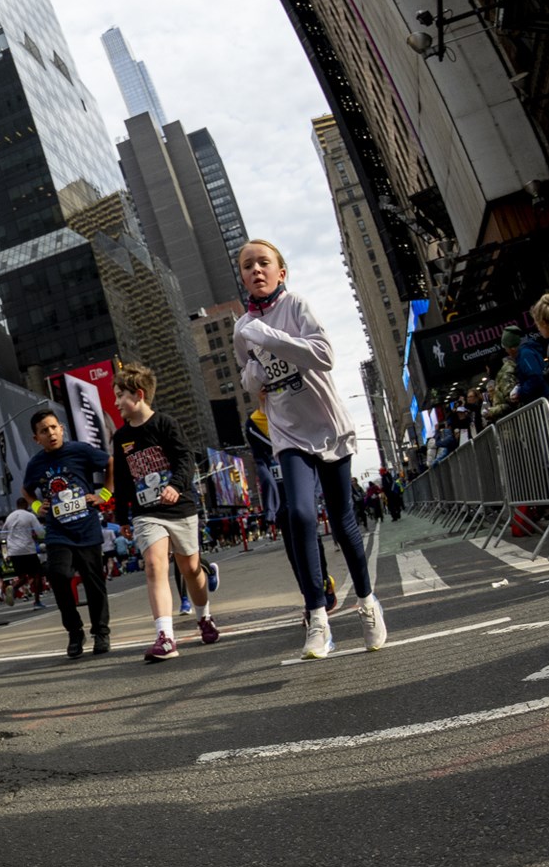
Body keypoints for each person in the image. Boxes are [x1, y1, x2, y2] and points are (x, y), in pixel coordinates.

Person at [233, 239, 386, 659]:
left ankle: (368, 603)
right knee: (297, 513)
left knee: (341, 521)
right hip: (287, 431)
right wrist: (252, 372)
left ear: (282, 272)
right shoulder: (241, 326)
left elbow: (324, 356)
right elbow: (250, 381)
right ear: (243, 276)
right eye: (248, 266)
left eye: (265, 263)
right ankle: (318, 616)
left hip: (328, 425)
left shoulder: (296, 306)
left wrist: (269, 337)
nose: (256, 270)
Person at [110, 366, 218, 662]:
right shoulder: (120, 439)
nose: (116, 402)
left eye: (121, 396)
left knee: (191, 570)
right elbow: (121, 479)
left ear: (139, 395)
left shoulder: (166, 424)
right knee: (154, 565)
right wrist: (122, 518)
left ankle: (205, 618)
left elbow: (186, 458)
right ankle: (165, 636)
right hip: (147, 513)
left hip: (180, 507)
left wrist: (175, 486)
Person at [21, 409, 112, 659]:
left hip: (87, 528)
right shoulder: (36, 464)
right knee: (58, 575)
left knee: (95, 584)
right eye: (43, 430)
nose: (50, 433)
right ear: (36, 438)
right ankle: (74, 631)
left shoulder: (80, 451)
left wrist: (105, 494)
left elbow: (110, 463)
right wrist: (37, 505)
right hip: (58, 532)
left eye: (53, 428)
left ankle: (101, 632)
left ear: (61, 428)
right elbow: (26, 489)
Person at [0, 502, 46, 610]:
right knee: (37, 575)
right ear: (26, 506)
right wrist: (35, 536)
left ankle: (13, 588)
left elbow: (2, 536)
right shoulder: (30, 516)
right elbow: (41, 533)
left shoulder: (9, 517)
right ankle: (37, 601)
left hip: (14, 552)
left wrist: (5, 554)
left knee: (23, 577)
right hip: (28, 550)